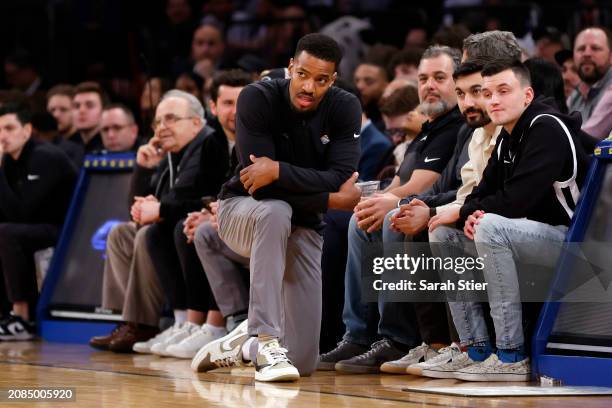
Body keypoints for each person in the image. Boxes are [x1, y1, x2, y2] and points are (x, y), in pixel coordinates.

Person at [191, 33, 362, 382]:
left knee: (302, 363)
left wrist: (279, 170)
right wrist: (331, 197)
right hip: (241, 209)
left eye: (321, 79)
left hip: (304, 224)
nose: (310, 87)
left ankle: (242, 346)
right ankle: (265, 337)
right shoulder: (257, 97)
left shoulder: (345, 107)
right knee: (274, 210)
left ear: (333, 80)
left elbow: (340, 175)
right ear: (290, 68)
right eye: (303, 74)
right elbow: (259, 186)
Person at [426, 59, 589, 381]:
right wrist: (467, 214)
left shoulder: (546, 127)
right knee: (442, 233)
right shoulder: (506, 134)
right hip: (527, 235)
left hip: (576, 244)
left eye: (503, 91)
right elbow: (481, 192)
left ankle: (511, 354)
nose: (494, 100)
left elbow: (516, 201)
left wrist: (468, 214)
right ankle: (475, 348)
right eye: (487, 93)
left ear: (526, 95)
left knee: (488, 225)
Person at [89, 90, 223, 353]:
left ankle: (148, 322)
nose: (162, 128)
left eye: (171, 119)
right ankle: (129, 320)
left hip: (191, 226)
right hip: (169, 224)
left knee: (150, 234)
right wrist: (144, 170)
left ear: (196, 122)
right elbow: (136, 213)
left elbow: (193, 200)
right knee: (121, 233)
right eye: (158, 122)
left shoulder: (205, 145)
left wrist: (158, 208)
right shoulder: (172, 153)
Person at [0, 104, 78, 340]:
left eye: (9, 128)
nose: (2, 136)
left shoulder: (45, 157)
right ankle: (6, 313)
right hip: (34, 227)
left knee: (7, 233)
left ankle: (22, 317)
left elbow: (23, 212)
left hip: (67, 231)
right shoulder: (11, 160)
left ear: (27, 130)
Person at [568, 27, 612, 123]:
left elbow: (592, 134)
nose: (587, 54)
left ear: (611, 56)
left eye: (595, 48)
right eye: (581, 49)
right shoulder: (575, 95)